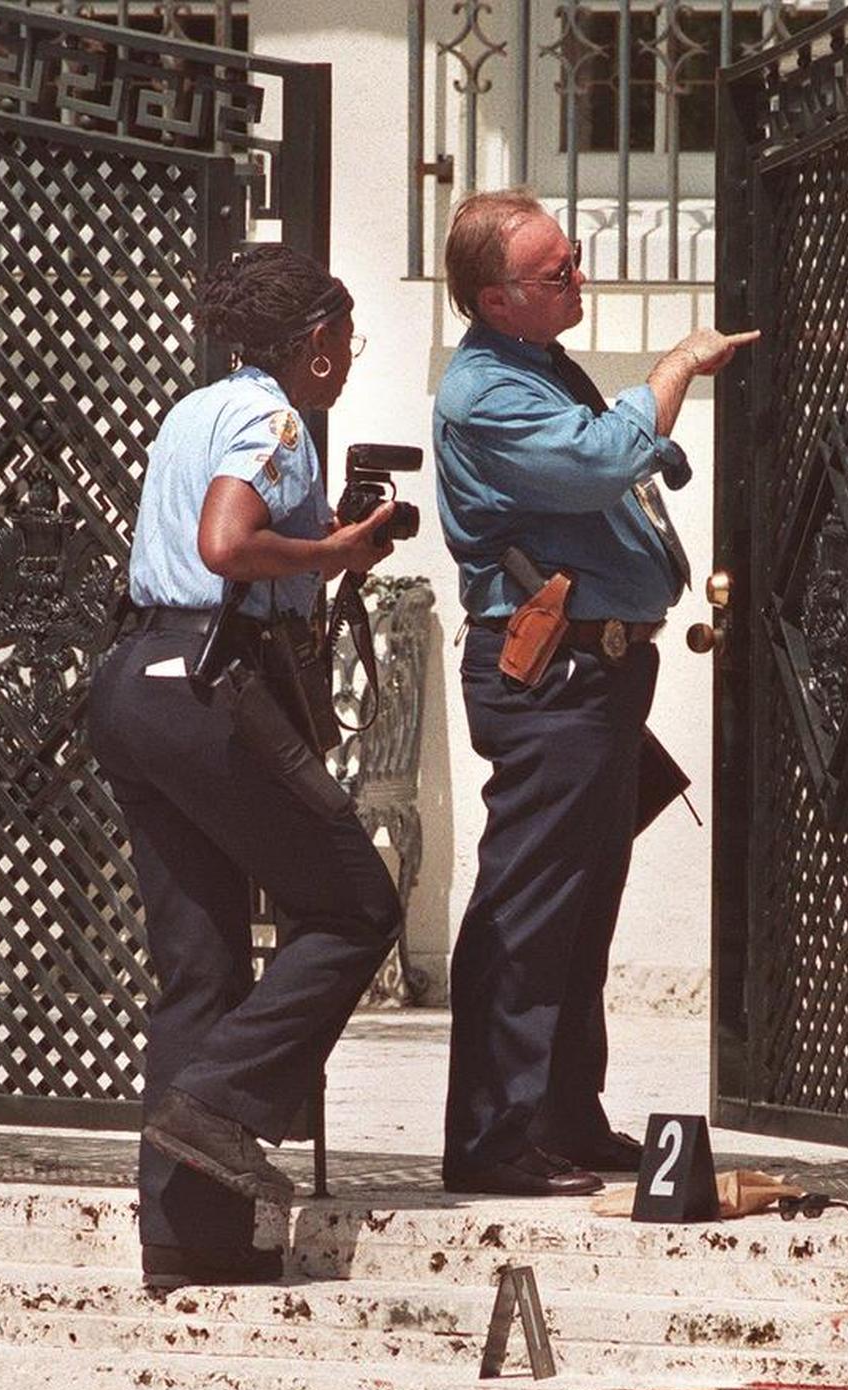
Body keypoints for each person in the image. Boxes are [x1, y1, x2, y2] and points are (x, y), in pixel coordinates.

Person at [88, 245, 403, 1288]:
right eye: (346, 340)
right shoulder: (275, 422)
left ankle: (188, 1239)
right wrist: (336, 554)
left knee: (203, 961)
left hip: (136, 680)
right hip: (210, 690)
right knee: (356, 904)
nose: (350, 358)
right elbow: (228, 544)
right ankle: (220, 1106)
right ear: (316, 345)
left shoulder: (194, 408)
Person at [434, 189, 759, 1197]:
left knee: (577, 909)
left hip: (599, 671)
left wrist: (639, 432)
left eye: (572, 258)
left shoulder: (538, 366)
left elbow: (622, 456)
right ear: (497, 301)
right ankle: (492, 1141)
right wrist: (669, 374)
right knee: (529, 912)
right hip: (552, 673)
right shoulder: (485, 390)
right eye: (556, 274)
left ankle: (564, 1118)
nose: (579, 278)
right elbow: (604, 458)